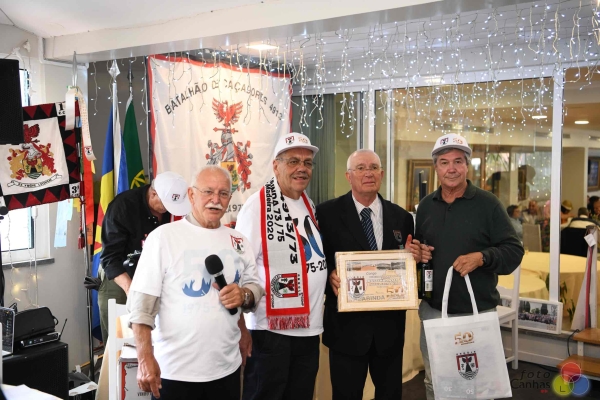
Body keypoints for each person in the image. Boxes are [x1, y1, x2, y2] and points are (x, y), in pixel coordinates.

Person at [127, 165, 264, 400]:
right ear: (191, 195)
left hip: (226, 369)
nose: (215, 200)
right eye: (208, 192)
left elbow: (254, 287)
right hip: (174, 373)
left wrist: (244, 295)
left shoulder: (238, 240)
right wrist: (144, 358)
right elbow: (141, 307)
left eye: (223, 193)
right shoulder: (163, 238)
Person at [415, 133, 524, 400]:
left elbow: (514, 251)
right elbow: (423, 250)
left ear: (467, 166)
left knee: (475, 385)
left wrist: (482, 257)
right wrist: (418, 253)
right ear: (436, 167)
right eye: (444, 162)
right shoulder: (426, 206)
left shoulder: (488, 204)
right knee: (435, 381)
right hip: (434, 312)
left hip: (475, 314)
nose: (451, 168)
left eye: (458, 161)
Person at [316, 149, 426, 400]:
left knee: (390, 395)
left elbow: (410, 263)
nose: (368, 173)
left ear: (382, 174)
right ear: (348, 176)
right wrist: (329, 275)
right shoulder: (325, 214)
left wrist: (414, 259)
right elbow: (315, 260)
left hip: (389, 330)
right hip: (346, 331)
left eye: (374, 168)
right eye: (361, 168)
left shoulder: (402, 217)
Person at [236, 133, 325, 400]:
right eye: (293, 161)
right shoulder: (256, 207)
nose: (302, 168)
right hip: (271, 330)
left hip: (308, 326)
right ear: (276, 166)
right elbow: (240, 269)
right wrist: (241, 327)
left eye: (307, 163)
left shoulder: (307, 203)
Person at [97, 171, 191, 344]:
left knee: (158, 337)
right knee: (121, 340)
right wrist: (132, 292)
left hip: (156, 275)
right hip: (121, 275)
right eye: (166, 204)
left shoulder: (174, 211)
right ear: (153, 193)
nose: (169, 210)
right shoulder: (123, 207)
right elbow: (110, 257)